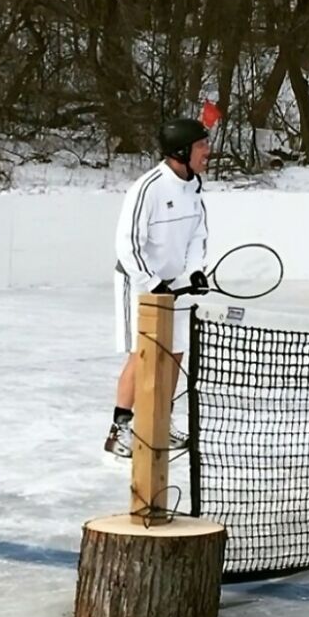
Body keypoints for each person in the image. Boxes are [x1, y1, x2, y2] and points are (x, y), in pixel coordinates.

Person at [104, 117, 211, 459]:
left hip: (176, 284)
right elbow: (128, 244)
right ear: (181, 151)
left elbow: (198, 232)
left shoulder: (193, 186)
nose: (207, 152)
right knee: (144, 353)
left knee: (176, 351)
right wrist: (152, 283)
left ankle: (160, 422)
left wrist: (194, 271)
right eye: (200, 146)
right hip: (138, 282)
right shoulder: (148, 188)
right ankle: (119, 428)